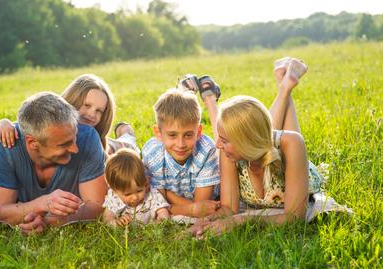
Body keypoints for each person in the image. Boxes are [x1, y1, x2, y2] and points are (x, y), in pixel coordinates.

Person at [189, 57, 335, 236]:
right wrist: (204, 222)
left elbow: (295, 217)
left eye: (225, 140)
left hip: (290, 158)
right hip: (260, 142)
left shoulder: (291, 144)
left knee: (290, 138)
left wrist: (242, 220)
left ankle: (285, 87)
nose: (217, 144)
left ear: (245, 141)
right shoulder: (227, 153)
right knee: (264, 131)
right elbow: (229, 209)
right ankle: (285, 86)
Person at [0, 92, 107, 234]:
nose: (75, 149)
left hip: (108, 153)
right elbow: (1, 213)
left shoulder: (87, 138)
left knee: (124, 147)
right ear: (32, 143)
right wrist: (42, 203)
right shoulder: (3, 145)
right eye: (64, 144)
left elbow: (96, 206)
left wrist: (48, 222)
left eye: (74, 138)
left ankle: (125, 131)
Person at [0, 74, 139, 156]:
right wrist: (4, 123)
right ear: (73, 100)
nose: (91, 114)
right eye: (87, 105)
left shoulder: (94, 139)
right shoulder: (53, 117)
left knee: (127, 145)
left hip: (111, 148)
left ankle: (126, 132)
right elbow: (26, 126)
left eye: (99, 111)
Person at [142, 89, 220, 218]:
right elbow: (156, 205)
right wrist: (190, 210)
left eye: (188, 135)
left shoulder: (206, 151)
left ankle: (209, 98)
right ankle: (125, 132)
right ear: (158, 133)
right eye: (172, 135)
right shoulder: (153, 154)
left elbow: (201, 206)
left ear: (198, 132)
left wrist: (167, 195)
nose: (181, 144)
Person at [102, 149, 170, 226]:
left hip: (149, 229)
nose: (135, 197)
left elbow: (162, 210)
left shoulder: (151, 194)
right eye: (127, 194)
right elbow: (107, 218)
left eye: (139, 191)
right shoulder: (114, 198)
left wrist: (162, 219)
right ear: (115, 190)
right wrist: (116, 223)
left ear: (145, 183)